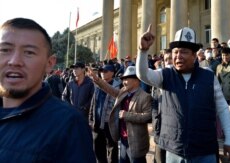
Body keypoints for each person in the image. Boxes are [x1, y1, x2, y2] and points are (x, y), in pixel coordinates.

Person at [0, 17, 96, 162]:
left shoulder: (69, 125)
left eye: (29, 52)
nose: (14, 61)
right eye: (5, 50)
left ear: (49, 63)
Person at [136, 25, 230, 162]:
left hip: (205, 150)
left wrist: (229, 140)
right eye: (175, 52)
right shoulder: (166, 75)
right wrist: (143, 50)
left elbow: (223, 109)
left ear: (194, 55)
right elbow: (144, 75)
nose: (178, 56)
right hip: (175, 151)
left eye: (184, 52)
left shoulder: (208, 76)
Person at [89, 66, 152, 163]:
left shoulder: (145, 96)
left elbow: (148, 117)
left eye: (127, 79)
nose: (124, 82)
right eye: (123, 79)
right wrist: (97, 80)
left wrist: (127, 115)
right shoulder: (124, 91)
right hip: (123, 139)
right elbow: (110, 90)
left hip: (136, 141)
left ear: (136, 80)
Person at [89, 64, 121, 163]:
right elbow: (94, 102)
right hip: (97, 123)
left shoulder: (118, 86)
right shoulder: (97, 86)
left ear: (112, 73)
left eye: (105, 71)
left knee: (112, 150)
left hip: (110, 124)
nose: (102, 73)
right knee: (98, 150)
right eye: (101, 71)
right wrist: (91, 118)